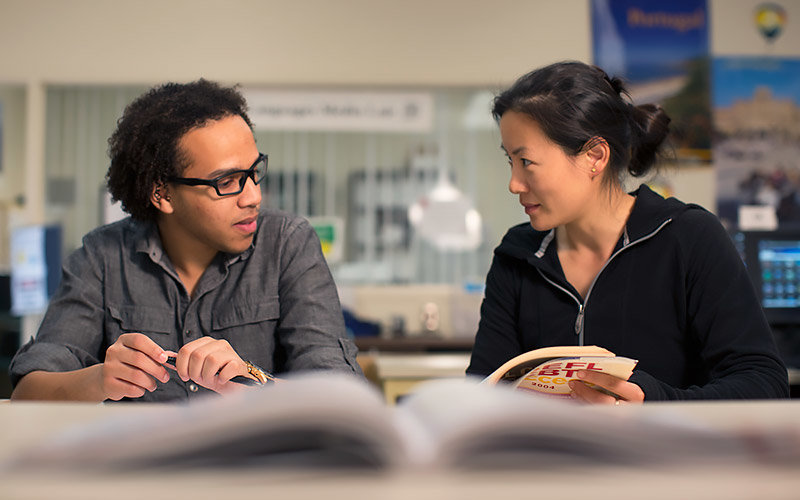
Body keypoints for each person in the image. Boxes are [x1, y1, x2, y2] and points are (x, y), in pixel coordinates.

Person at [10, 79, 362, 402]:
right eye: (227, 182)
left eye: (254, 172)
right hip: (142, 465)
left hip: (256, 467)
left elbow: (342, 398)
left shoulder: (288, 244)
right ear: (162, 194)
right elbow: (27, 393)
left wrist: (252, 379)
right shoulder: (102, 257)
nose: (253, 196)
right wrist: (100, 379)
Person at [467, 61, 789, 403]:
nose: (514, 184)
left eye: (526, 162)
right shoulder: (518, 254)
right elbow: (482, 389)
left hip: (666, 455)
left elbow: (764, 383)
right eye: (510, 162)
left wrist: (652, 402)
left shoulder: (689, 238)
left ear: (595, 156)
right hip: (552, 456)